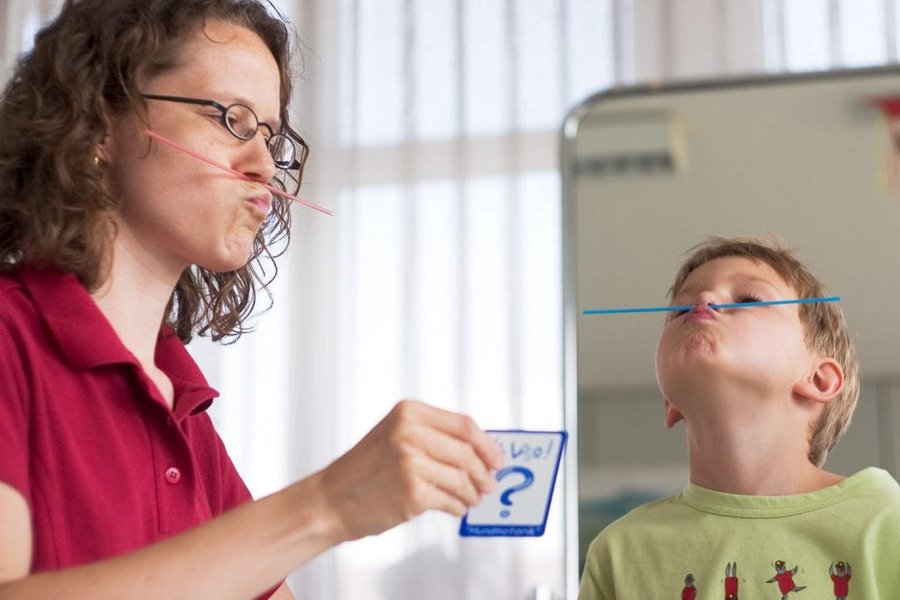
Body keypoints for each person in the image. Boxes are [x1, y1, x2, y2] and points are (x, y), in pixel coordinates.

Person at [0, 1, 503, 598]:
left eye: (270, 135)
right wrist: (326, 506)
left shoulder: (182, 409)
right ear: (101, 125)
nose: (265, 165)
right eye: (233, 120)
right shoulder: (11, 343)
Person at [579, 236, 900, 598]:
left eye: (748, 299)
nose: (703, 302)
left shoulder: (885, 519)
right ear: (669, 403)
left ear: (818, 379)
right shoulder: (621, 552)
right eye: (681, 310)